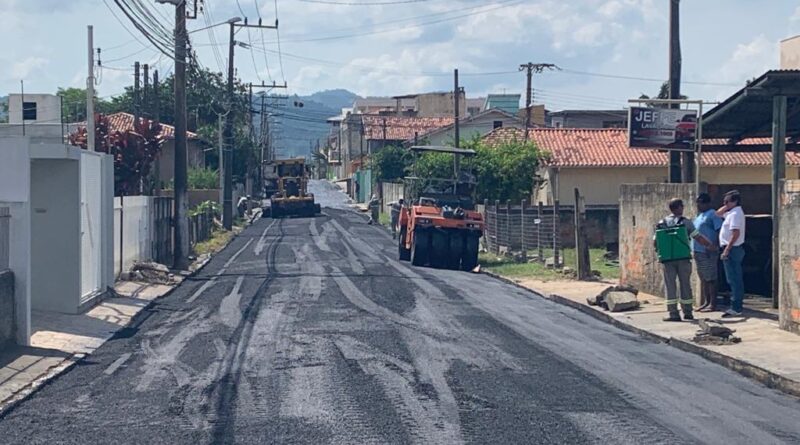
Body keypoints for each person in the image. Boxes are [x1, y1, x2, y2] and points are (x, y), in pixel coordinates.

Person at [655, 198, 715, 322]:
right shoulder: (686, 222)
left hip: (667, 260)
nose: (683, 208)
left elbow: (655, 241)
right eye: (682, 206)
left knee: (670, 286)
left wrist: (659, 253)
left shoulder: (661, 223)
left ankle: (673, 314)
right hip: (683, 258)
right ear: (679, 208)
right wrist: (710, 245)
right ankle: (688, 312)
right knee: (685, 285)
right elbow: (697, 237)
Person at [717, 190, 746, 318]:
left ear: (735, 201)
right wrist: (726, 205)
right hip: (730, 248)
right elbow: (718, 214)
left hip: (732, 249)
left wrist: (727, 250)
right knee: (731, 278)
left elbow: (736, 233)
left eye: (727, 201)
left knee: (734, 278)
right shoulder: (731, 212)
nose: (725, 203)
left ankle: (736, 306)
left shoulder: (735, 214)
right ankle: (736, 305)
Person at [693, 193, 722, 312]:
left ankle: (713, 304)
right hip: (698, 251)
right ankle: (706, 301)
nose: (699, 205)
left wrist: (715, 245)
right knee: (704, 278)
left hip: (708, 251)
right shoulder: (700, 216)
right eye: (698, 203)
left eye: (701, 203)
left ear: (707, 203)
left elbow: (720, 230)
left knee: (711, 278)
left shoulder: (713, 215)